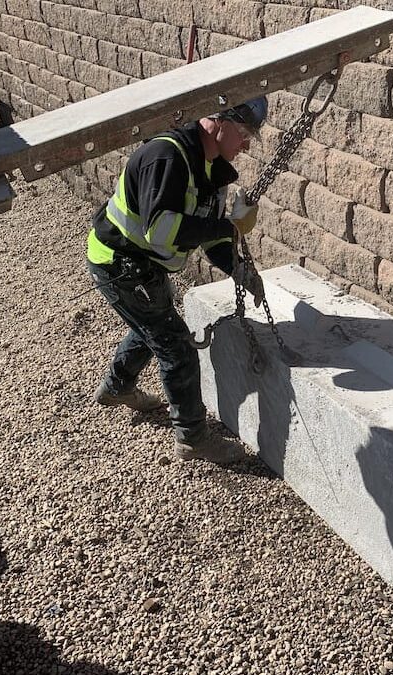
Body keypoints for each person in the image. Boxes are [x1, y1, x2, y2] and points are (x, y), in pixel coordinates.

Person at [85, 97, 268, 463]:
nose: (246, 145)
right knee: (177, 348)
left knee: (152, 323)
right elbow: (160, 230)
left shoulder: (213, 170)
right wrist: (228, 225)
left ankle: (117, 387)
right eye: (245, 134)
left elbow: (212, 241)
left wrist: (242, 271)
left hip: (142, 264)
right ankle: (192, 438)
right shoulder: (166, 157)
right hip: (119, 262)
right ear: (219, 122)